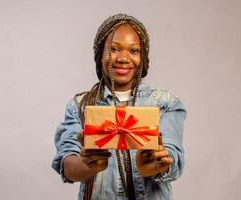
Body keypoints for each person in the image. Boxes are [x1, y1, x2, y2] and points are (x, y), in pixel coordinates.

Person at [51, 13, 186, 200]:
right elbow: (67, 165)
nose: (123, 58)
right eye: (114, 49)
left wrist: (155, 165)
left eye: (134, 51)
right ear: (100, 54)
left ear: (143, 57)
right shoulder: (80, 106)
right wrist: (87, 164)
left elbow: (174, 159)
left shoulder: (165, 103)